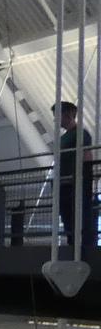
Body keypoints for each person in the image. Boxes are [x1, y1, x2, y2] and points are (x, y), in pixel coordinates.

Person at [59, 101, 96, 247]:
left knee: (76, 214)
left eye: (58, 116)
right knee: (67, 216)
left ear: (67, 115)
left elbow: (87, 155)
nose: (56, 120)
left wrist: (85, 179)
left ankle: (79, 243)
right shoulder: (66, 136)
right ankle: (73, 242)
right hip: (65, 182)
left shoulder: (80, 133)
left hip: (73, 181)